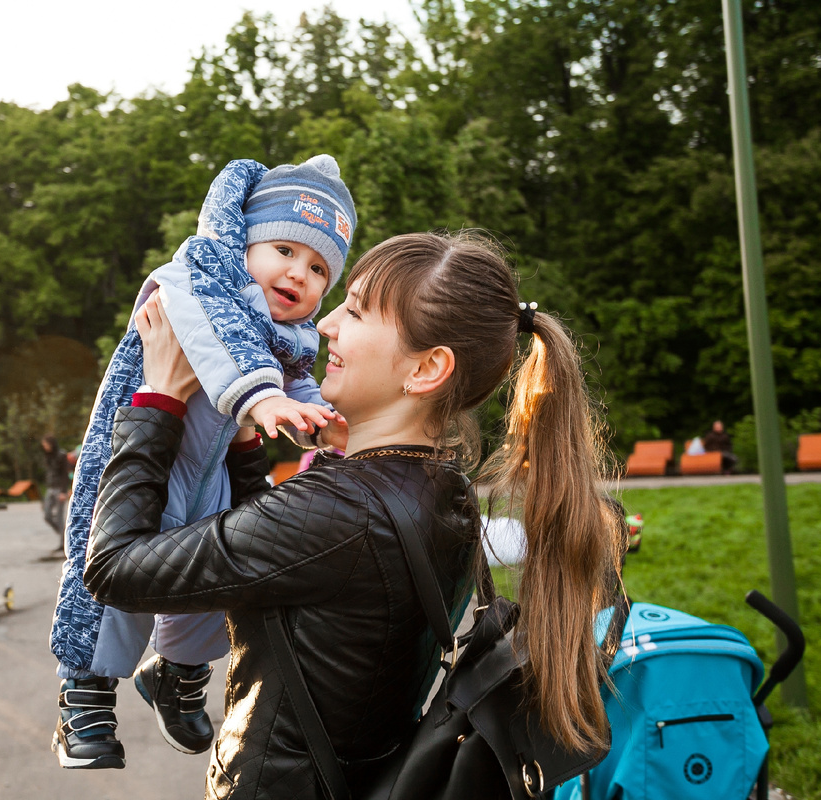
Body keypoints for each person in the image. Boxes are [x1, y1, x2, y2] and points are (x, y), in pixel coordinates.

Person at [83, 231, 623, 798]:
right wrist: (245, 435)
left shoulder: (341, 511)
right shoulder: (443, 489)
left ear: (427, 368)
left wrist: (159, 397)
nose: (326, 323)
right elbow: (262, 556)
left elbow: (114, 569)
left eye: (358, 311)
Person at [50, 155, 355, 769]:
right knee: (112, 577)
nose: (299, 273)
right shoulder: (198, 276)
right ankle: (84, 694)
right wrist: (263, 398)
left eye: (319, 268)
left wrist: (327, 422)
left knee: (221, 571)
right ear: (243, 241)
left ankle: (178, 673)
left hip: (206, 471)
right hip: (137, 450)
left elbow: (299, 388)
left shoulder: (283, 335)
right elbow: (218, 339)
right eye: (285, 251)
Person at [40, 435, 72, 554]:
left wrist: (64, 491)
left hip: (59, 489)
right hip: (50, 488)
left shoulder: (61, 455)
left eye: (46, 444)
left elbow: (65, 474)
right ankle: (64, 536)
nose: (45, 447)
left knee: (59, 517)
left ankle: (63, 543)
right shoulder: (47, 455)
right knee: (47, 515)